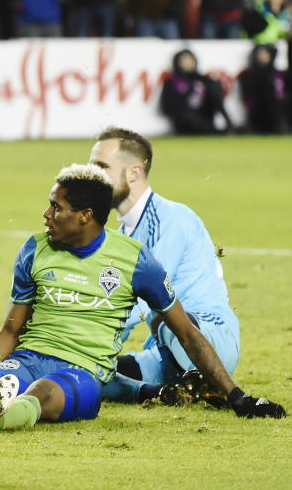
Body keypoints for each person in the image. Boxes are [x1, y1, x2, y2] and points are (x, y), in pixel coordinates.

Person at [0, 163, 284, 436]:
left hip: (83, 372)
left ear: (85, 216)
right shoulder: (35, 249)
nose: (46, 215)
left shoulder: (135, 261)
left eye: (56, 207)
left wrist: (236, 396)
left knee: (43, 394)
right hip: (29, 357)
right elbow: (12, 329)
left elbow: (187, 334)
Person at [87, 128, 242, 405]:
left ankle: (205, 380)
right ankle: (182, 388)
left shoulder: (170, 219)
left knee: (163, 315)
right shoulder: (122, 237)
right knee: (91, 373)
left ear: (133, 173)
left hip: (210, 340)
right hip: (164, 353)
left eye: (101, 167)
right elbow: (116, 309)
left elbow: (146, 302)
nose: (91, 176)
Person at [160, 48, 233, 135]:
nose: (187, 63)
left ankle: (229, 125)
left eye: (190, 60)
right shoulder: (172, 81)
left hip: (204, 116)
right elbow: (166, 107)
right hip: (183, 120)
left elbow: (215, 99)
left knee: (214, 87)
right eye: (184, 60)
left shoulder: (204, 80)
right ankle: (216, 132)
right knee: (187, 115)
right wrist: (187, 93)